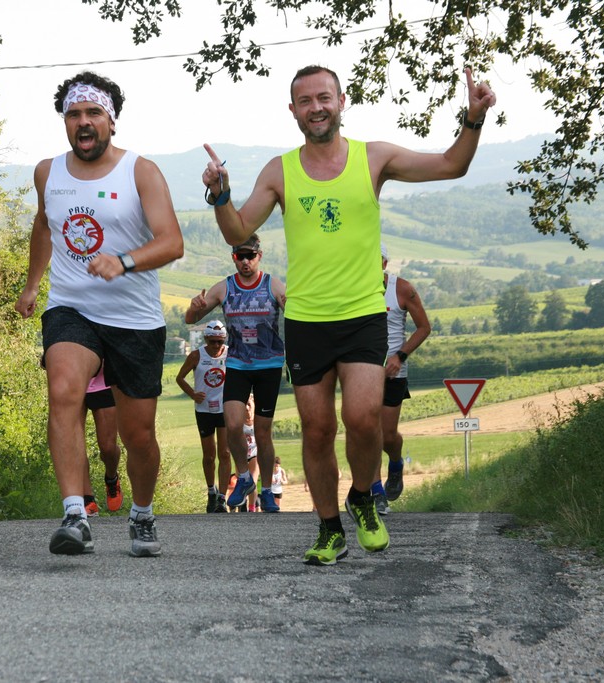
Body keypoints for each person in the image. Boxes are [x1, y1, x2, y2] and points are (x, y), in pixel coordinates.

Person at [201, 65, 495, 565]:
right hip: (308, 321)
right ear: (293, 111)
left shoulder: (373, 157)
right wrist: (222, 194)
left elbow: (451, 166)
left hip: (362, 316)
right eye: (304, 101)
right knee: (317, 430)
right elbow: (238, 231)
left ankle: (362, 495)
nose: (315, 107)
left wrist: (473, 119)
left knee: (362, 420)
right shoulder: (279, 170)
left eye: (324, 97)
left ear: (341, 101)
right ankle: (329, 527)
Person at [14, 72, 184, 557]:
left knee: (138, 436)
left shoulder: (140, 171)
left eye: (93, 114)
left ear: (112, 120)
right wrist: (32, 285)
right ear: (64, 122)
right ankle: (74, 514)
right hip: (72, 306)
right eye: (74, 114)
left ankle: (143, 513)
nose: (83, 122)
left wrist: (124, 261)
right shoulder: (48, 172)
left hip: (134, 317)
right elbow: (45, 227)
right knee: (63, 390)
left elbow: (172, 241)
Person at [184, 234, 287, 514]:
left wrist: (291, 302)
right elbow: (190, 319)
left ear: (259, 256)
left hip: (268, 364)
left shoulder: (271, 284)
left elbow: (293, 308)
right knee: (232, 426)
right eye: (239, 256)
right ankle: (243, 478)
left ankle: (266, 492)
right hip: (238, 363)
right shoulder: (225, 287)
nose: (245, 261)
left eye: (249, 256)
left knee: (262, 432)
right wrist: (193, 309)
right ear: (233, 258)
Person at [372, 243, 431, 515]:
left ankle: (395, 464)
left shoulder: (402, 289)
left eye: (375, 260)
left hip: (394, 371)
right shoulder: (352, 287)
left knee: (387, 435)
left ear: (384, 263)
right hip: (363, 371)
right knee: (367, 433)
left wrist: (400, 356)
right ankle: (376, 493)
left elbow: (424, 327)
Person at [175, 319, 231, 513]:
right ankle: (211, 492)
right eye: (212, 341)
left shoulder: (230, 353)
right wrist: (192, 394)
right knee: (209, 456)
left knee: (225, 453)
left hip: (225, 409)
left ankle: (222, 498)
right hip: (204, 410)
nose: (216, 345)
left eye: (220, 341)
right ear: (206, 339)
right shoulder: (196, 355)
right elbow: (179, 378)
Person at [81, 367, 124, 515]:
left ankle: (111, 479)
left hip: (103, 382)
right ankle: (87, 498)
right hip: (73, 383)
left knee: (108, 448)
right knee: (75, 445)